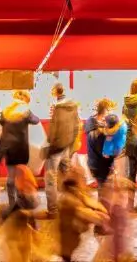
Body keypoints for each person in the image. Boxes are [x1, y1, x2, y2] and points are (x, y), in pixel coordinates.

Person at [0, 90, 40, 209]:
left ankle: (12, 203)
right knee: (21, 176)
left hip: (8, 147)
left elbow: (0, 121)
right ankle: (22, 202)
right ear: (25, 99)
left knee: (10, 177)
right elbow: (36, 120)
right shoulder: (25, 111)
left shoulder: (5, 111)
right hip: (21, 148)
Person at [44, 83, 81, 214]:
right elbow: (77, 126)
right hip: (67, 147)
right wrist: (71, 146)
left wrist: (49, 145)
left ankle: (53, 209)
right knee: (66, 177)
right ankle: (70, 205)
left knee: (50, 178)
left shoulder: (56, 107)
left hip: (56, 148)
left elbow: (53, 131)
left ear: (55, 92)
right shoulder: (73, 106)